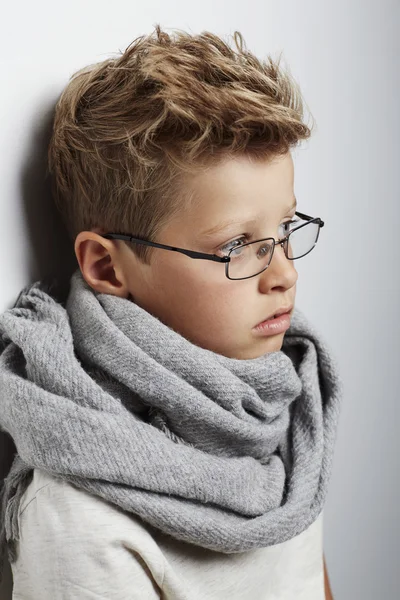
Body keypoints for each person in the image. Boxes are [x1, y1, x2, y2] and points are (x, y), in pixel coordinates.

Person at [0, 25, 341, 599]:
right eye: (238, 246)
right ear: (108, 269)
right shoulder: (82, 523)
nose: (285, 273)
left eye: (284, 230)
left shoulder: (279, 408)